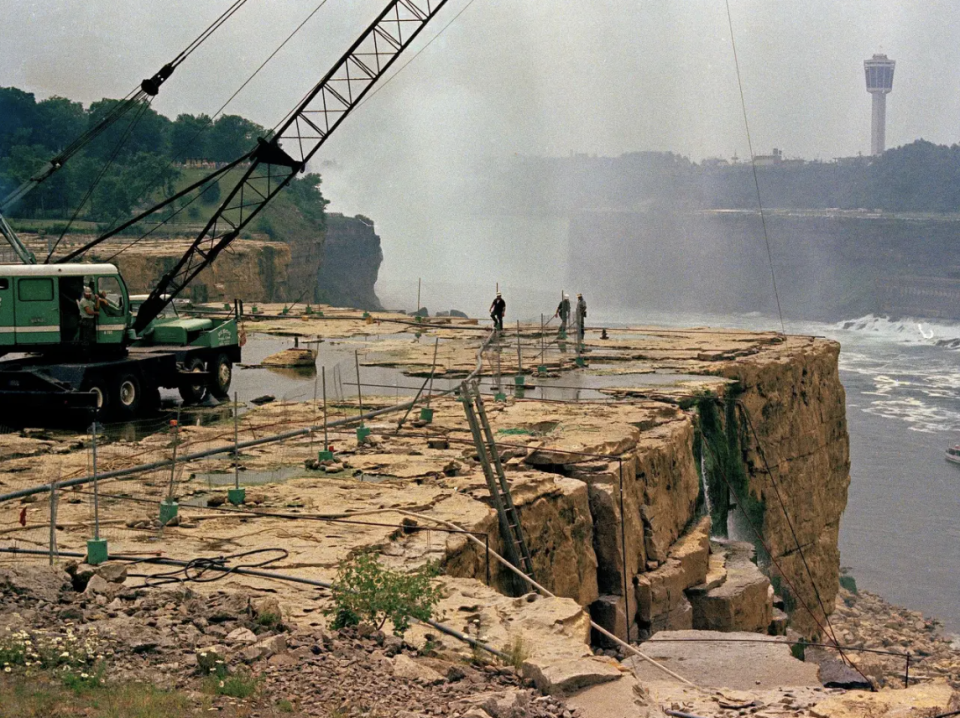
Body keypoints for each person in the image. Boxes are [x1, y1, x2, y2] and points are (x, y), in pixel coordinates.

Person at [78, 286, 99, 355]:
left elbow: (96, 307)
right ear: (84, 294)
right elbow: (89, 312)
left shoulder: (89, 301)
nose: (89, 295)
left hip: (89, 321)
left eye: (90, 294)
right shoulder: (84, 301)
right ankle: (85, 353)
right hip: (86, 320)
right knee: (86, 338)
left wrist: (97, 299)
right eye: (87, 294)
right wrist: (96, 313)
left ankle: (87, 352)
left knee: (88, 337)